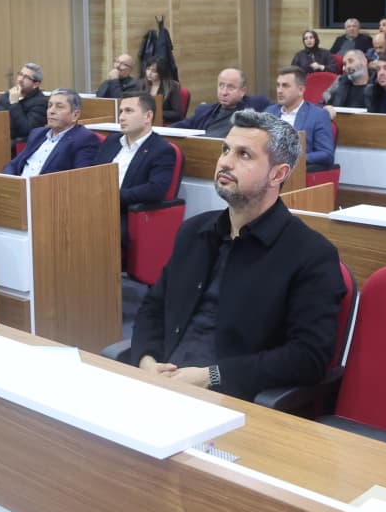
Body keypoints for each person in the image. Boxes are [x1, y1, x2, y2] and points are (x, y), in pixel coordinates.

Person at [126, 110, 343, 401]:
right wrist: (147, 361)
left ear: (278, 174)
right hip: (160, 384)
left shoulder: (311, 254)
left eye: (244, 155)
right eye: (226, 149)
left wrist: (210, 376)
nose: (225, 162)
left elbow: (307, 356)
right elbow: (153, 308)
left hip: (231, 400)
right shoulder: (194, 232)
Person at [95, 94, 176, 248]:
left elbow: (155, 189)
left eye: (129, 111)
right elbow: (93, 172)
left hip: (125, 214)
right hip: (95, 207)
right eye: (120, 111)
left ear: (148, 116)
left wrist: (112, 196)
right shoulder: (112, 141)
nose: (122, 117)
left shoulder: (161, 149)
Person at [3, 90, 98, 176]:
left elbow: (81, 178)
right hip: (19, 187)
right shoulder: (37, 133)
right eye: (50, 106)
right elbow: (13, 165)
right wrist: (9, 182)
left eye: (59, 107)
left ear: (75, 115)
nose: (51, 111)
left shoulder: (84, 139)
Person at [273, 67, 335, 170]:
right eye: (278, 85)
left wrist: (296, 159)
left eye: (285, 86)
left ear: (301, 90)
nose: (279, 90)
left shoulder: (318, 115)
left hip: (297, 172)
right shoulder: (269, 112)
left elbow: (327, 154)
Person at [184, 68, 252, 138]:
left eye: (231, 88)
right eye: (221, 86)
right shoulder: (204, 111)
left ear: (242, 91)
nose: (224, 92)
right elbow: (178, 128)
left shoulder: (248, 117)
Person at [0, 62, 47, 141]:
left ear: (36, 84)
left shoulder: (41, 102)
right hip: (2, 140)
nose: (20, 79)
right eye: (20, 74)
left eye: (26, 77)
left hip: (20, 145)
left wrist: (14, 104)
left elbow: (27, 130)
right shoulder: (8, 95)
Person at [143, 57, 186, 124]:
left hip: (164, 123)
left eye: (154, 71)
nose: (149, 73)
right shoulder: (142, 85)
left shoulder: (172, 87)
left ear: (161, 72)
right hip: (146, 122)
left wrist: (157, 113)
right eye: (148, 69)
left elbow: (178, 113)